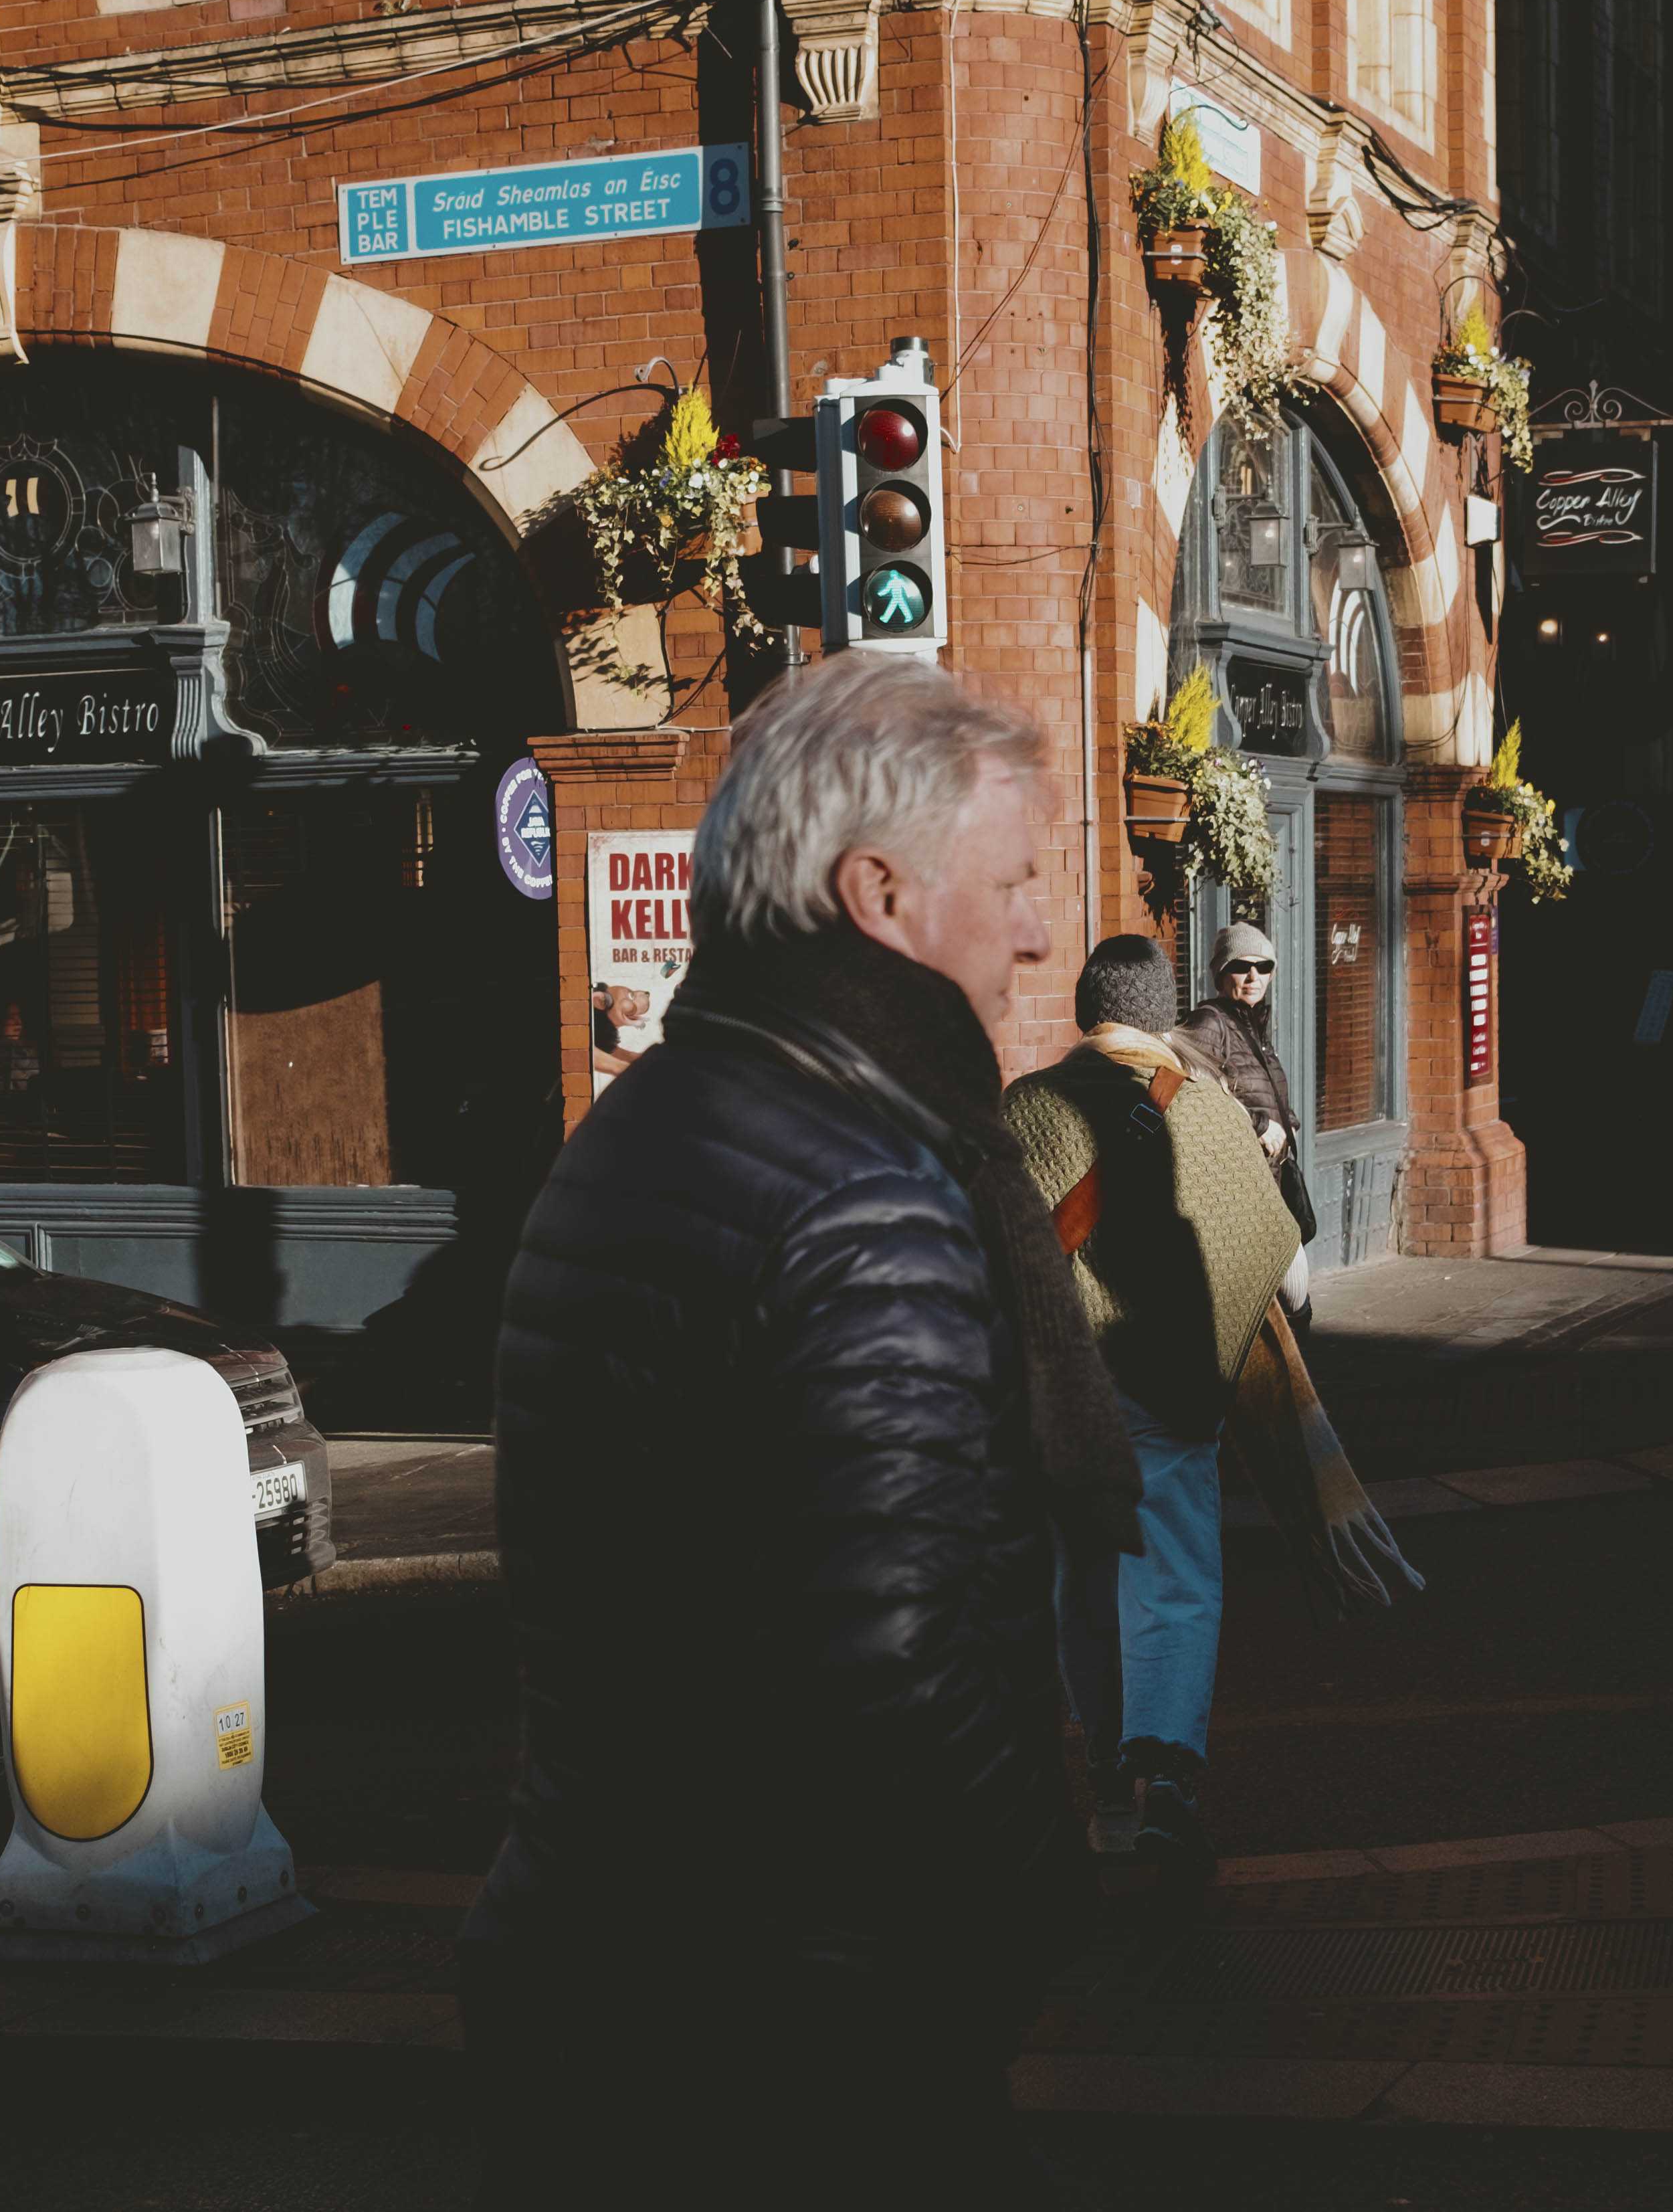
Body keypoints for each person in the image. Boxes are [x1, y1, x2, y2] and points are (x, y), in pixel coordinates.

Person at [462, 655, 1140, 2200]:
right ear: (881, 894)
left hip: (607, 1965)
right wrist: (1034, 1907)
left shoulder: (647, 1122)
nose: (1042, 933)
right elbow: (897, 1672)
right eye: (1018, 882)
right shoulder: (866, 1193)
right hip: (801, 2040)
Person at [1005, 935, 1304, 1863]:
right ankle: (1164, 1771)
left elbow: (993, 1248)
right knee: (1172, 1572)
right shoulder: (1208, 1106)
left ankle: (1103, 1772)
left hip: (1063, 1391)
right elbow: (1276, 1254)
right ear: (1161, 1011)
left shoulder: (1029, 1106)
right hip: (1172, 1389)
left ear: (1085, 1010)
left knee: (1081, 1580)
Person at [1175, 921, 1319, 1313]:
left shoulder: (1251, 1025)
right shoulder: (1210, 1022)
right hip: (1240, 1185)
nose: (1255, 976)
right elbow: (1187, 1093)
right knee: (1292, 1295)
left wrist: (1286, 1120)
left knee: (1278, 1299)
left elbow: (1252, 1088)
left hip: (1269, 1178)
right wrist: (1259, 1125)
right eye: (1242, 967)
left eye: (1264, 966)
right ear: (1221, 974)